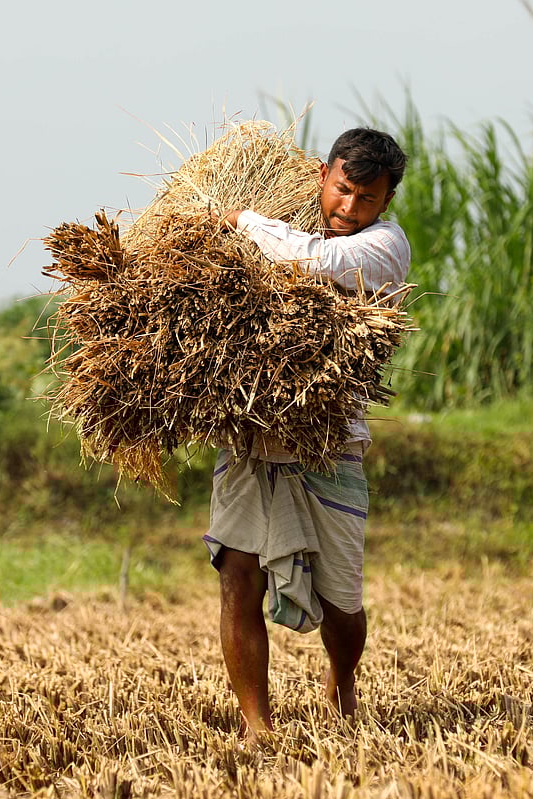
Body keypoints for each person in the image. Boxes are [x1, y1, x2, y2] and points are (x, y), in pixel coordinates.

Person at [206, 127, 410, 745]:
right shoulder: (290, 218)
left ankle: (342, 681)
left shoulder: (384, 247)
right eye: (343, 190)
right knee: (238, 575)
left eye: (367, 199)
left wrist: (243, 221)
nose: (349, 209)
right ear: (324, 175)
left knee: (342, 603)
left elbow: (318, 262)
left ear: (386, 201)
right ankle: (257, 725)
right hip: (250, 435)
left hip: (330, 445)